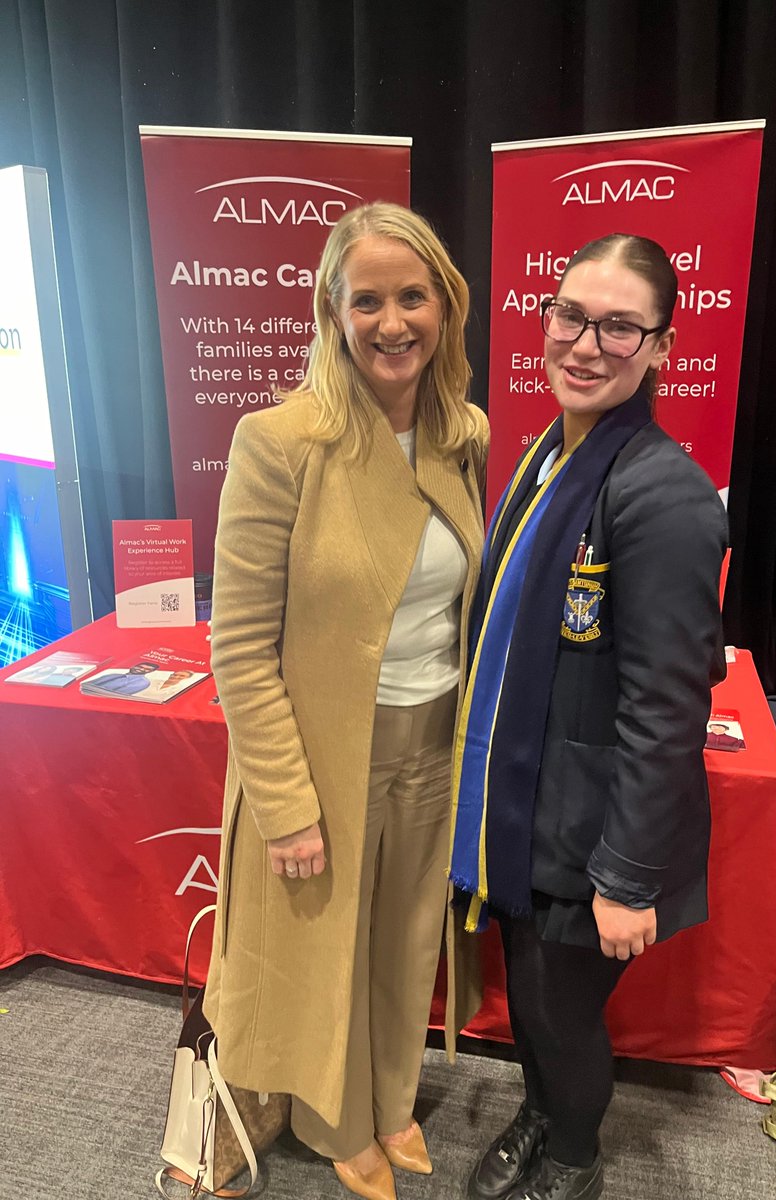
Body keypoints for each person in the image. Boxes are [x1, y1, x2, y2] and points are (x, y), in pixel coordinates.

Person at [203, 202, 489, 1200]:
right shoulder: (280, 442)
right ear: (332, 310)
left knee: (406, 936)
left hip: (435, 741)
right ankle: (337, 1128)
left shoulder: (464, 436)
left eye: (413, 297)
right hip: (326, 756)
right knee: (330, 950)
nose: (392, 320)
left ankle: (391, 1098)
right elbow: (236, 643)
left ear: (445, 308)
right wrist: (284, 803)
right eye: (367, 299)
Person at [451, 234, 727, 1200]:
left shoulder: (666, 496)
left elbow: (667, 711)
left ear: (662, 346)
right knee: (532, 999)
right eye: (570, 315)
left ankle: (574, 1158)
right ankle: (543, 1114)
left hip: (594, 827)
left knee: (563, 1014)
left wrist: (626, 876)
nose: (585, 343)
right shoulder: (545, 452)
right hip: (533, 808)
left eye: (620, 326)